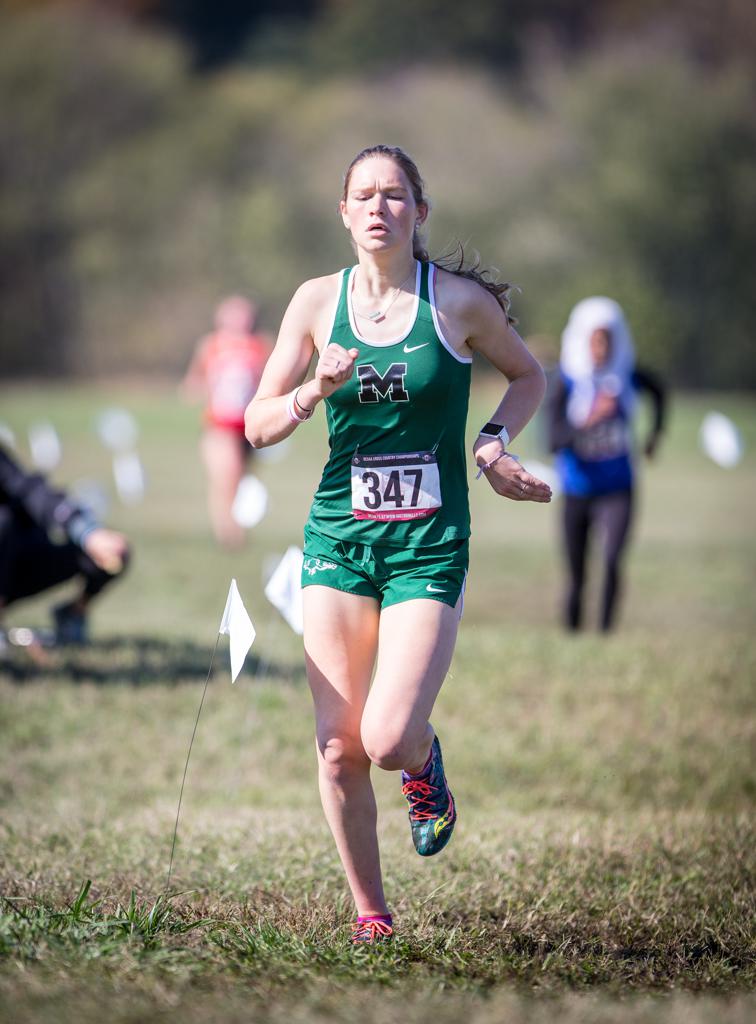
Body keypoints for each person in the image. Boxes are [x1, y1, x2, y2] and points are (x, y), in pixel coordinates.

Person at [245, 145, 551, 945]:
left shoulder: (458, 303)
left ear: (419, 210)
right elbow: (257, 421)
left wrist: (491, 447)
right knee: (339, 747)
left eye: (394, 194)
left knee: (385, 739)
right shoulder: (316, 302)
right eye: (363, 195)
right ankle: (371, 913)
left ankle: (423, 766)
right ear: (342, 212)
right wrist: (316, 387)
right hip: (339, 539)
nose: (378, 206)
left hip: (428, 544)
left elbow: (528, 377)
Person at [548, 297, 666, 632]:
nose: (602, 347)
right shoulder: (566, 382)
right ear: (582, 340)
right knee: (577, 572)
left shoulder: (626, 377)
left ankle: (605, 635)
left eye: (608, 339)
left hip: (618, 487)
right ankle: (572, 635)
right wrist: (589, 420)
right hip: (577, 488)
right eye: (595, 339)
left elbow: (659, 391)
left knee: (613, 561)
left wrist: (655, 435)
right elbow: (553, 440)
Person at [0, 444, 130, 646]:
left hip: (13, 562)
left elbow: (31, 491)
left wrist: (89, 534)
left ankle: (73, 614)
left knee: (106, 552)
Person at [182, 295, 272, 548]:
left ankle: (236, 527)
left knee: (242, 478)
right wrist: (196, 390)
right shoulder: (210, 344)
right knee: (225, 475)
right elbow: (195, 379)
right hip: (219, 424)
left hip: (250, 424)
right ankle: (228, 533)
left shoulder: (260, 345)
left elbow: (272, 378)